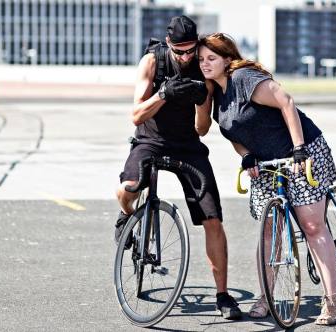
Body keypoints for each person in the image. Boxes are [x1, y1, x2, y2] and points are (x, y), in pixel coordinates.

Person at [198, 33, 336, 325]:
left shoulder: (244, 78)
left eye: (211, 58)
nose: (204, 64)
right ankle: (267, 296)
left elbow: (286, 102)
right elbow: (235, 135)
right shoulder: (217, 97)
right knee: (269, 231)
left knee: (312, 225)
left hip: (303, 150)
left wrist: (299, 149)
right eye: (200, 59)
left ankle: (332, 299)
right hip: (266, 164)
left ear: (227, 60)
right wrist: (246, 155)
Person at [115, 17, 242, 320]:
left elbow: (201, 129)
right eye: (179, 52)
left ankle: (223, 296)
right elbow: (135, 115)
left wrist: (201, 100)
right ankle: (126, 216)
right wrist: (164, 94)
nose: (186, 58)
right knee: (128, 188)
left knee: (212, 218)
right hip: (150, 141)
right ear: (169, 45)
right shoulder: (152, 61)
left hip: (187, 146)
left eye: (190, 51)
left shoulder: (203, 68)